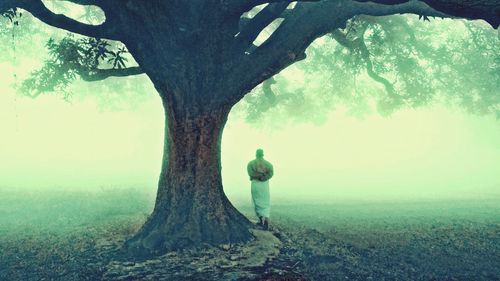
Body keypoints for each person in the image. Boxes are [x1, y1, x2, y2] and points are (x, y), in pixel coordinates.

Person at [247, 148, 274, 230]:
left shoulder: (251, 163)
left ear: (256, 154)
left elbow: (250, 173)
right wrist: (264, 177)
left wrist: (257, 176)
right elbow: (271, 173)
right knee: (264, 202)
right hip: (264, 185)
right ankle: (265, 221)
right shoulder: (268, 164)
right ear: (263, 154)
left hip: (255, 184)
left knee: (257, 201)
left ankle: (261, 221)